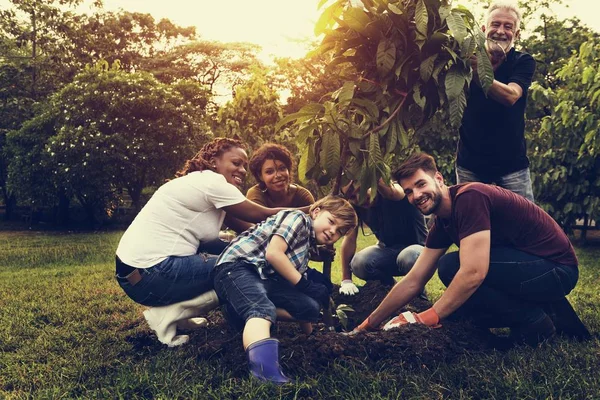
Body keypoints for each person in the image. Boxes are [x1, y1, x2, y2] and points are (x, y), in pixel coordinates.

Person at [350, 152, 589, 346]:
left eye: (421, 184)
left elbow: (474, 272)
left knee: (452, 267)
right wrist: (369, 324)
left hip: (556, 270)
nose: (416, 195)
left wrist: (427, 317)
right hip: (532, 270)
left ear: (440, 179)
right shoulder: (443, 220)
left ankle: (535, 322)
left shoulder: (470, 197)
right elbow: (414, 279)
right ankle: (543, 313)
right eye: (409, 192)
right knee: (459, 301)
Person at [115, 137, 285, 347]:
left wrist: (282, 247)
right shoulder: (213, 182)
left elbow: (249, 233)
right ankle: (168, 315)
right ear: (214, 161)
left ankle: (181, 316)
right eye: (236, 163)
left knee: (235, 257)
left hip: (136, 275)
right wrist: (314, 211)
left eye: (244, 166)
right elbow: (263, 215)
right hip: (153, 273)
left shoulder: (202, 186)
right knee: (237, 267)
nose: (242, 170)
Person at [212, 196, 357, 384]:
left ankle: (237, 309)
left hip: (265, 278)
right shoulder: (297, 218)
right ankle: (266, 375)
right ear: (316, 212)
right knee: (261, 309)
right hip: (238, 267)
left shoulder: (306, 245)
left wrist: (310, 336)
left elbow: (291, 279)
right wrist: (305, 285)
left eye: (339, 231)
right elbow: (274, 254)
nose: (332, 231)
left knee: (310, 308)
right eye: (331, 222)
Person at [457, 2, 536, 201]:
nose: (500, 31)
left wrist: (477, 70)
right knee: (469, 223)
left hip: (512, 167)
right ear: (484, 30)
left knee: (525, 226)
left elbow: (510, 96)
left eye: (508, 27)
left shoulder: (523, 61)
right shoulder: (463, 58)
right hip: (470, 165)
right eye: (495, 24)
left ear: (516, 34)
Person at [338, 179, 428, 296]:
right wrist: (346, 280)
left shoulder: (392, 191)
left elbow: (393, 192)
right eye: (352, 196)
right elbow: (349, 239)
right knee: (359, 263)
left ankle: (419, 297)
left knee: (407, 256)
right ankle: (390, 289)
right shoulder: (356, 207)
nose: (360, 198)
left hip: (419, 251)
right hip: (388, 251)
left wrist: (371, 169)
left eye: (362, 190)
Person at [246, 143, 314, 208]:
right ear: (260, 176)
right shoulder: (256, 194)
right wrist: (306, 210)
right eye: (269, 172)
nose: (278, 175)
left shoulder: (302, 196)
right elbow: (258, 216)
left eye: (282, 168)